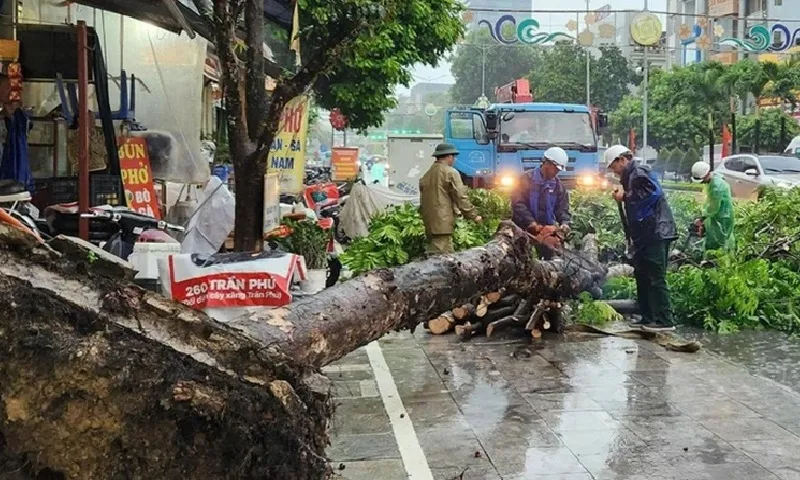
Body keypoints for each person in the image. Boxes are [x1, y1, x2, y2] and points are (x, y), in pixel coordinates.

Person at [606, 145, 677, 333]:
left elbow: (651, 194)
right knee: (642, 275)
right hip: (645, 235)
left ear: (623, 159)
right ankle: (648, 316)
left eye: (614, 165)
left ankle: (664, 319)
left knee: (655, 276)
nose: (613, 170)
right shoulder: (631, 176)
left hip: (655, 233)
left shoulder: (639, 172)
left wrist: (626, 196)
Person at [419, 143, 482, 254]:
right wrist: (473, 216)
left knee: (444, 258)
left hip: (430, 223)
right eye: (454, 157)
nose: (454, 160)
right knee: (439, 261)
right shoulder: (450, 172)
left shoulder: (427, 174)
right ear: (448, 157)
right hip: (442, 223)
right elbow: (461, 197)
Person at [511, 147, 571, 250]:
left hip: (546, 232)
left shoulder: (558, 186)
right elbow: (518, 204)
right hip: (523, 230)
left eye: (558, 170)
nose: (556, 172)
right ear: (546, 163)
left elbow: (562, 210)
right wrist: (531, 223)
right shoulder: (526, 179)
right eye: (555, 169)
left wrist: (564, 223)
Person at [691, 161, 735, 252]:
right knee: (713, 238)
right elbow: (709, 202)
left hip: (722, 217)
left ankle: (722, 261)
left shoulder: (716, 187)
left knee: (721, 240)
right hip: (716, 215)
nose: (702, 182)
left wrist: (702, 218)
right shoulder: (714, 179)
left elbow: (713, 207)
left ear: (706, 174)